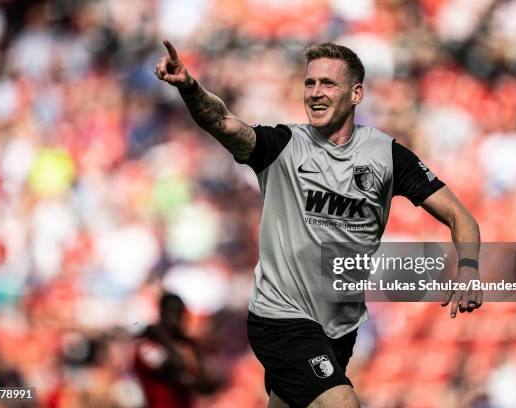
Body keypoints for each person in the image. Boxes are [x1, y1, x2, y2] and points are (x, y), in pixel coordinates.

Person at [155, 40, 482, 408]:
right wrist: (189, 87)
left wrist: (468, 267)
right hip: (281, 318)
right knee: (343, 404)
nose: (315, 93)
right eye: (309, 83)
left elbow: (461, 217)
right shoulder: (282, 146)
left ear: (356, 93)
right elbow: (223, 122)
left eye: (328, 83)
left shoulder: (387, 156)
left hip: (340, 329)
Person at [134, 293, 217, 408]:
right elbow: (172, 365)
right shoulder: (147, 342)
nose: (174, 319)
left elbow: (207, 384)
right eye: (171, 313)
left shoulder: (187, 343)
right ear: (161, 312)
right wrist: (165, 339)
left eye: (178, 313)